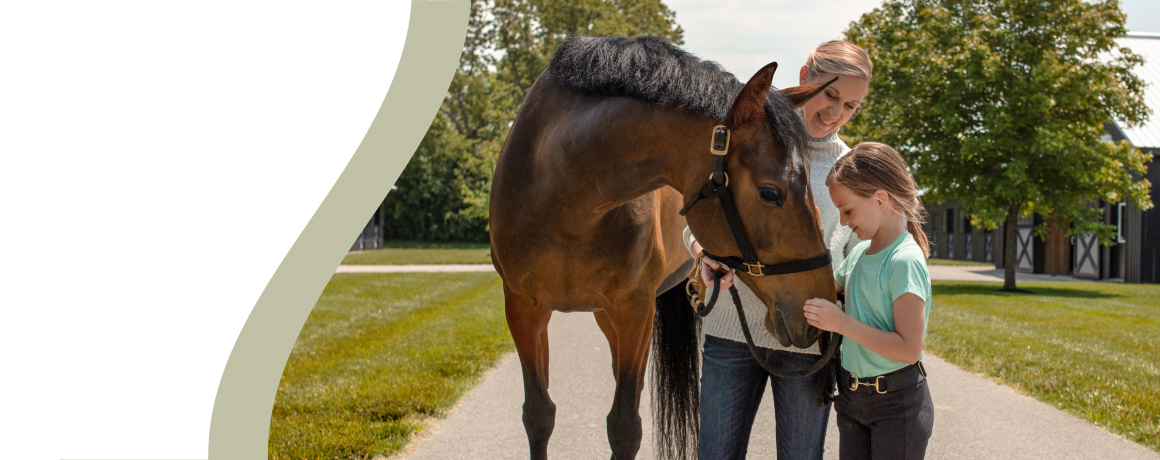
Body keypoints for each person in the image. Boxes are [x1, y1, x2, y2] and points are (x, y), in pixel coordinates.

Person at [683, 40, 872, 460]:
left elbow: (860, 251)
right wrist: (703, 249)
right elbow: (698, 216)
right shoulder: (751, 142)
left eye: (852, 106)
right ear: (805, 78)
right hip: (732, 332)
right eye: (830, 94)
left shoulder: (852, 167)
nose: (836, 113)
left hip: (808, 341)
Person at [803, 141, 934, 460]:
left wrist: (841, 323)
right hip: (852, 400)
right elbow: (823, 291)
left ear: (880, 199)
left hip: (896, 406)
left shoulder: (904, 261)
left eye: (847, 210)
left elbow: (908, 348)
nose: (844, 221)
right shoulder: (860, 253)